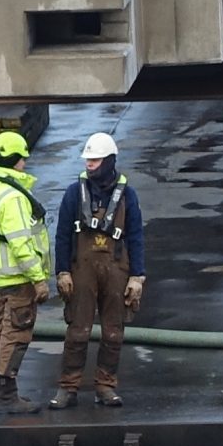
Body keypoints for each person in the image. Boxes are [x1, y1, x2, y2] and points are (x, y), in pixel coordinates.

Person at [51, 131, 147, 408]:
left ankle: (106, 386)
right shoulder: (74, 193)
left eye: (94, 160)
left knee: (113, 332)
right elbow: (62, 235)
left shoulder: (128, 195)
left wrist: (137, 277)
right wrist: (62, 271)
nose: (89, 164)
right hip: (81, 270)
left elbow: (136, 235)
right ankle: (68, 388)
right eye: (88, 160)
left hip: (117, 269)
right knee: (78, 331)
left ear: (109, 161)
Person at [0, 130, 49, 416]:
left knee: (1, 332)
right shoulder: (12, 197)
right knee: (16, 334)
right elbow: (21, 243)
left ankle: (0, 393)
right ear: (16, 160)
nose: (25, 165)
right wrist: (39, 279)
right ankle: (7, 397)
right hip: (18, 278)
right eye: (23, 159)